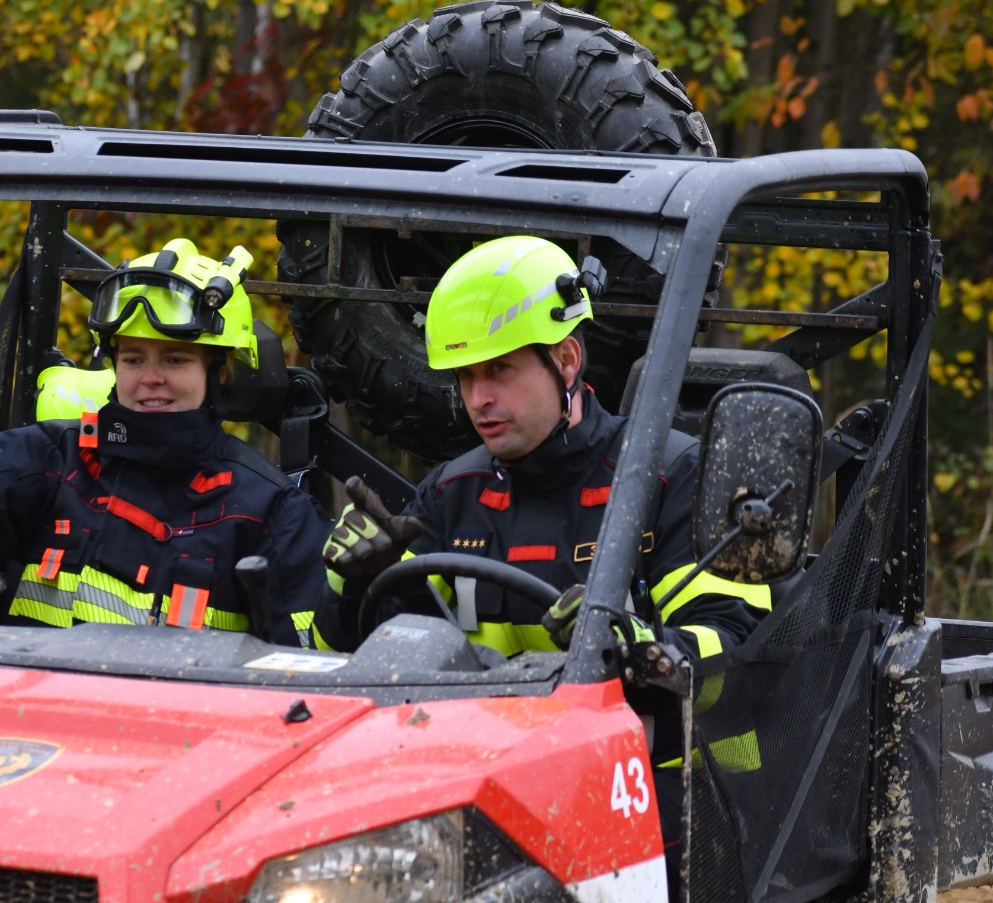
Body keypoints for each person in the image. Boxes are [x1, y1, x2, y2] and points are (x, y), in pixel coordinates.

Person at [317, 234, 771, 862]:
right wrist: (357, 586)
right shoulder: (452, 492)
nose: (478, 400)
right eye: (466, 376)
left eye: (499, 370)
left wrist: (635, 649)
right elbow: (364, 666)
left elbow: (737, 655)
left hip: (678, 798)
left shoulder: (674, 477)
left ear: (565, 360)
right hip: (498, 789)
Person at [0, 237, 330, 646]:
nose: (150, 378)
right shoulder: (47, 458)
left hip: (175, 764)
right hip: (27, 737)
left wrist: (361, 587)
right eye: (133, 358)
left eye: (176, 360)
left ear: (221, 372)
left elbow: (313, 668)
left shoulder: (270, 509)